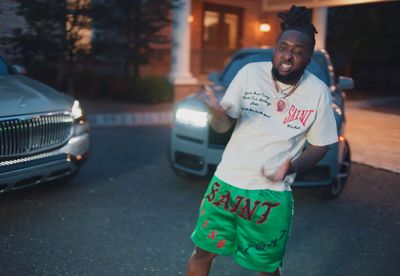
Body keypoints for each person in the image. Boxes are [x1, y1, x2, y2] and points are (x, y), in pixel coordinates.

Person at [186, 5, 338, 276]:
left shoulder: (318, 93)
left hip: (270, 195)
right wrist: (217, 115)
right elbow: (223, 125)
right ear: (275, 47)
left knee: (266, 269)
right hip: (225, 185)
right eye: (283, 47)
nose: (288, 56)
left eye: (298, 51)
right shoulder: (249, 73)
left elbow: (321, 145)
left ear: (308, 58)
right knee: (202, 252)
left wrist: (291, 166)